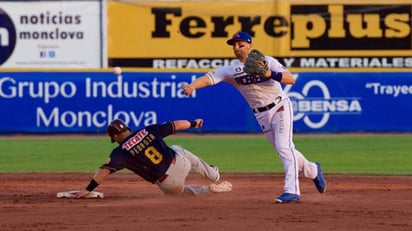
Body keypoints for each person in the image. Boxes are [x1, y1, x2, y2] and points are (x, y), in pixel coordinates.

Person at [181, 31, 326, 203]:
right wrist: (192, 86)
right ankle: (312, 170)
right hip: (261, 114)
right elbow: (208, 78)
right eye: (234, 45)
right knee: (284, 150)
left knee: (284, 147)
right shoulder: (231, 70)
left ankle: (292, 191)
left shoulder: (267, 61)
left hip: (280, 106)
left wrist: (270, 74)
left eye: (240, 44)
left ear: (250, 45)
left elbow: (290, 79)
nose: (236, 48)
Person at [76, 118, 232, 198]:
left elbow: (104, 171)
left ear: (115, 136)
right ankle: (213, 174)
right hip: (180, 163)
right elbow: (176, 125)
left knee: (179, 194)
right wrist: (193, 123)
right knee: (177, 148)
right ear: (128, 128)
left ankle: (208, 191)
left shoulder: (120, 151)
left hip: (168, 182)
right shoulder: (148, 130)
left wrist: (87, 189)